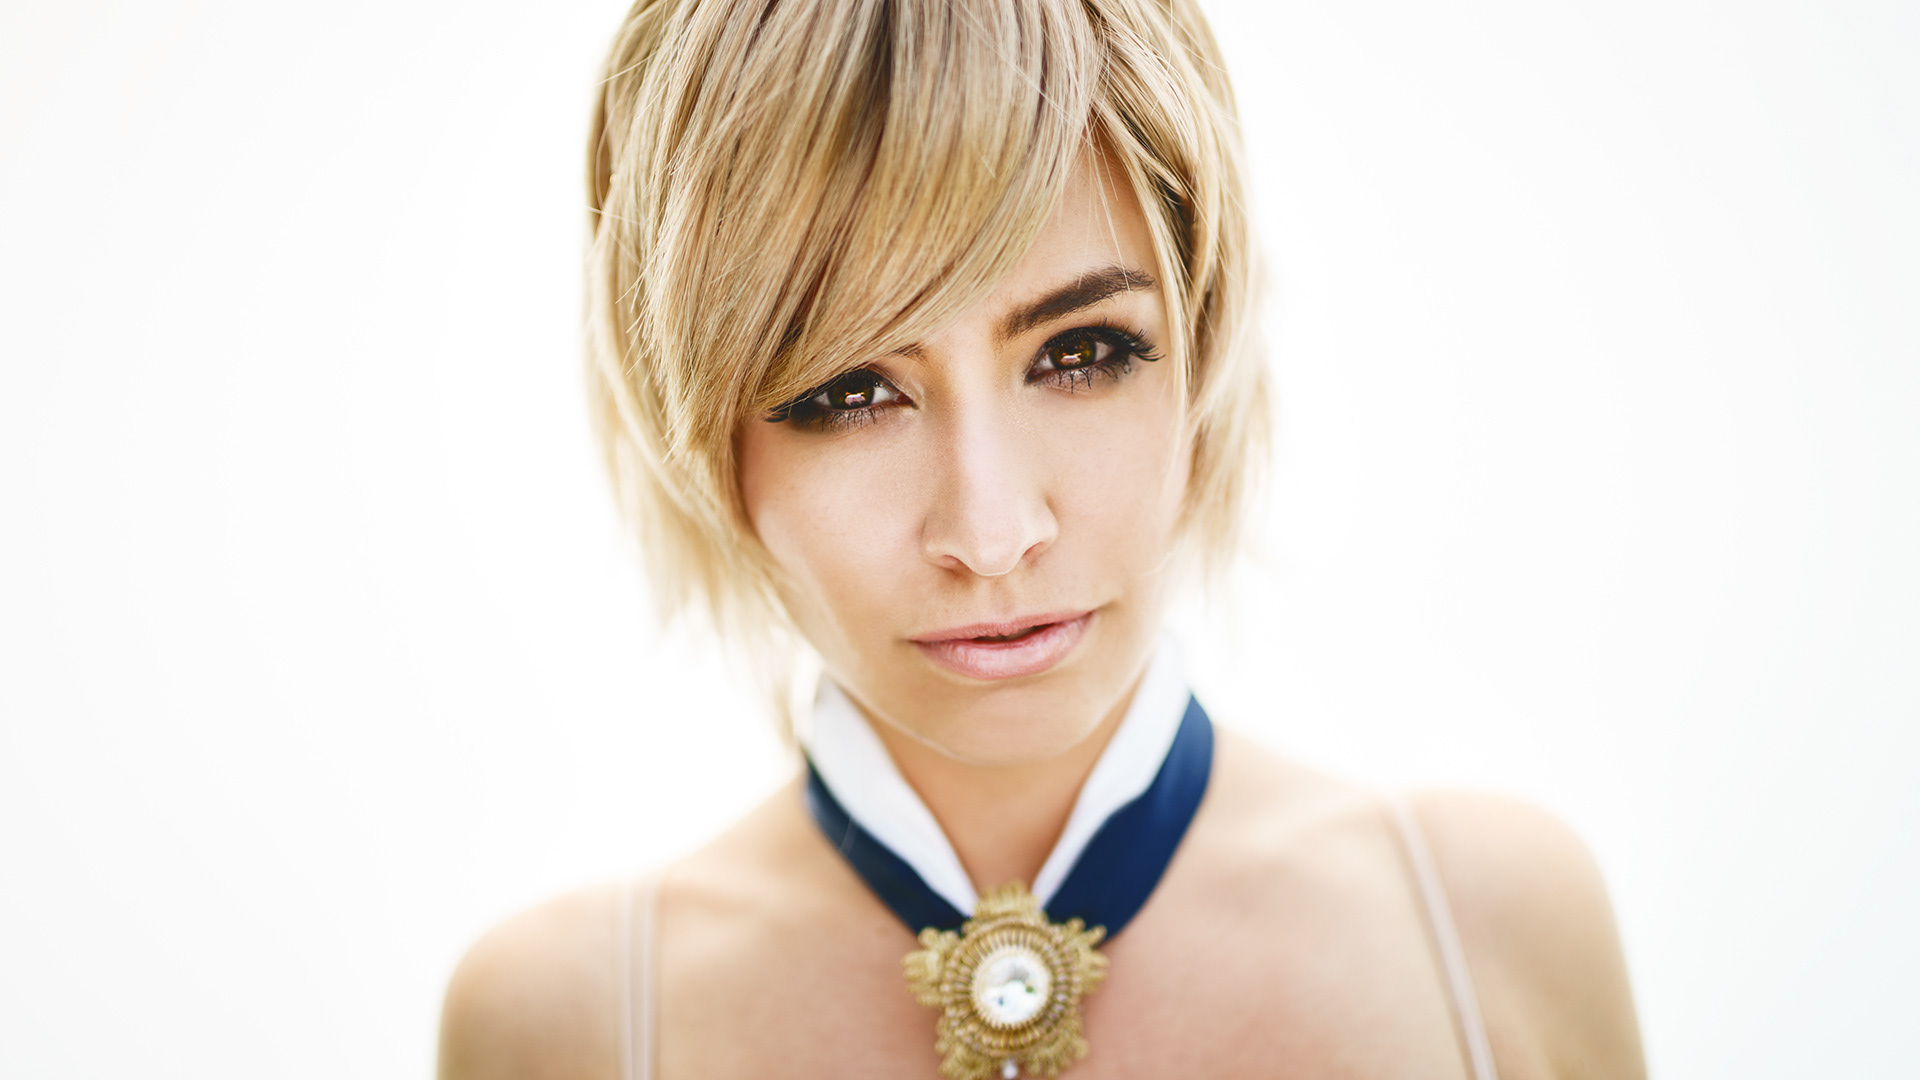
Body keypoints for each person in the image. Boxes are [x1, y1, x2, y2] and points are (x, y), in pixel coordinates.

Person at [438, 1, 1645, 1077]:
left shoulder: (1486, 931)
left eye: (1081, 353)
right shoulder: (566, 1027)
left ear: (1203, 343)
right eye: (849, 390)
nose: (993, 532)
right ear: (701, 434)